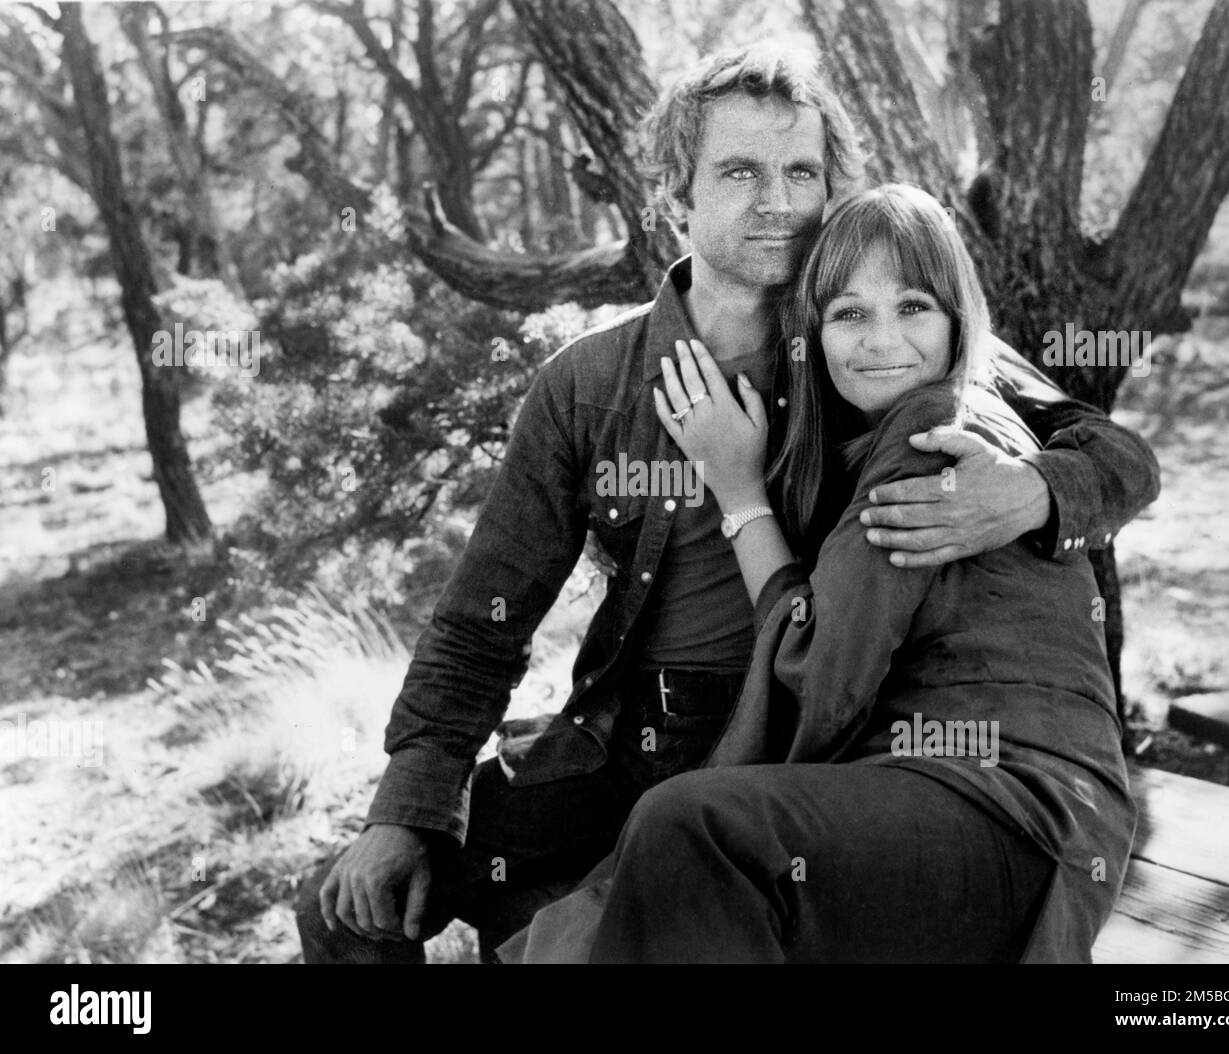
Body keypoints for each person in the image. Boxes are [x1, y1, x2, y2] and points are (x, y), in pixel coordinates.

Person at [294, 44, 1158, 964]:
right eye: (741, 171)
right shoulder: (590, 386)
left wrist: (1029, 494)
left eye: (802, 172)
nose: (778, 201)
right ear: (676, 194)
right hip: (626, 745)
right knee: (342, 905)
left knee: (665, 875)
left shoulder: (874, 339)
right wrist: (411, 804)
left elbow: (1115, 454)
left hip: (806, 745)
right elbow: (480, 626)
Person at [581, 184, 1136, 963]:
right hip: (985, 813)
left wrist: (738, 491)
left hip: (1013, 809)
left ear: (956, 319)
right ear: (812, 334)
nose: (882, 341)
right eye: (848, 314)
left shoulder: (931, 428)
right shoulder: (896, 422)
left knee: (690, 828)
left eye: (912, 307)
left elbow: (820, 676)